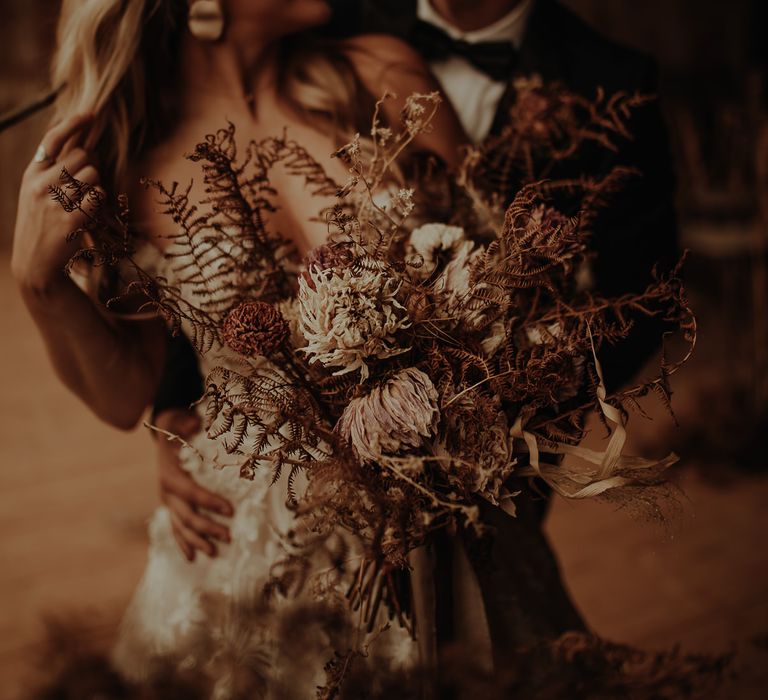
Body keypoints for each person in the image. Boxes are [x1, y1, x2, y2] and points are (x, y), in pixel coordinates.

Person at [154, 0, 678, 657]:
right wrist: (174, 415)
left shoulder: (613, 77)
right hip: (289, 487)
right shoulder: (336, 29)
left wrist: (514, 411)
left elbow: (639, 291)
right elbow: (209, 280)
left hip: (488, 463)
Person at [11, 0, 471, 693]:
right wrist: (40, 285)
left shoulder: (379, 73)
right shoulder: (132, 158)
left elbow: (491, 261)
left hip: (430, 522)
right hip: (242, 539)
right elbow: (124, 393)